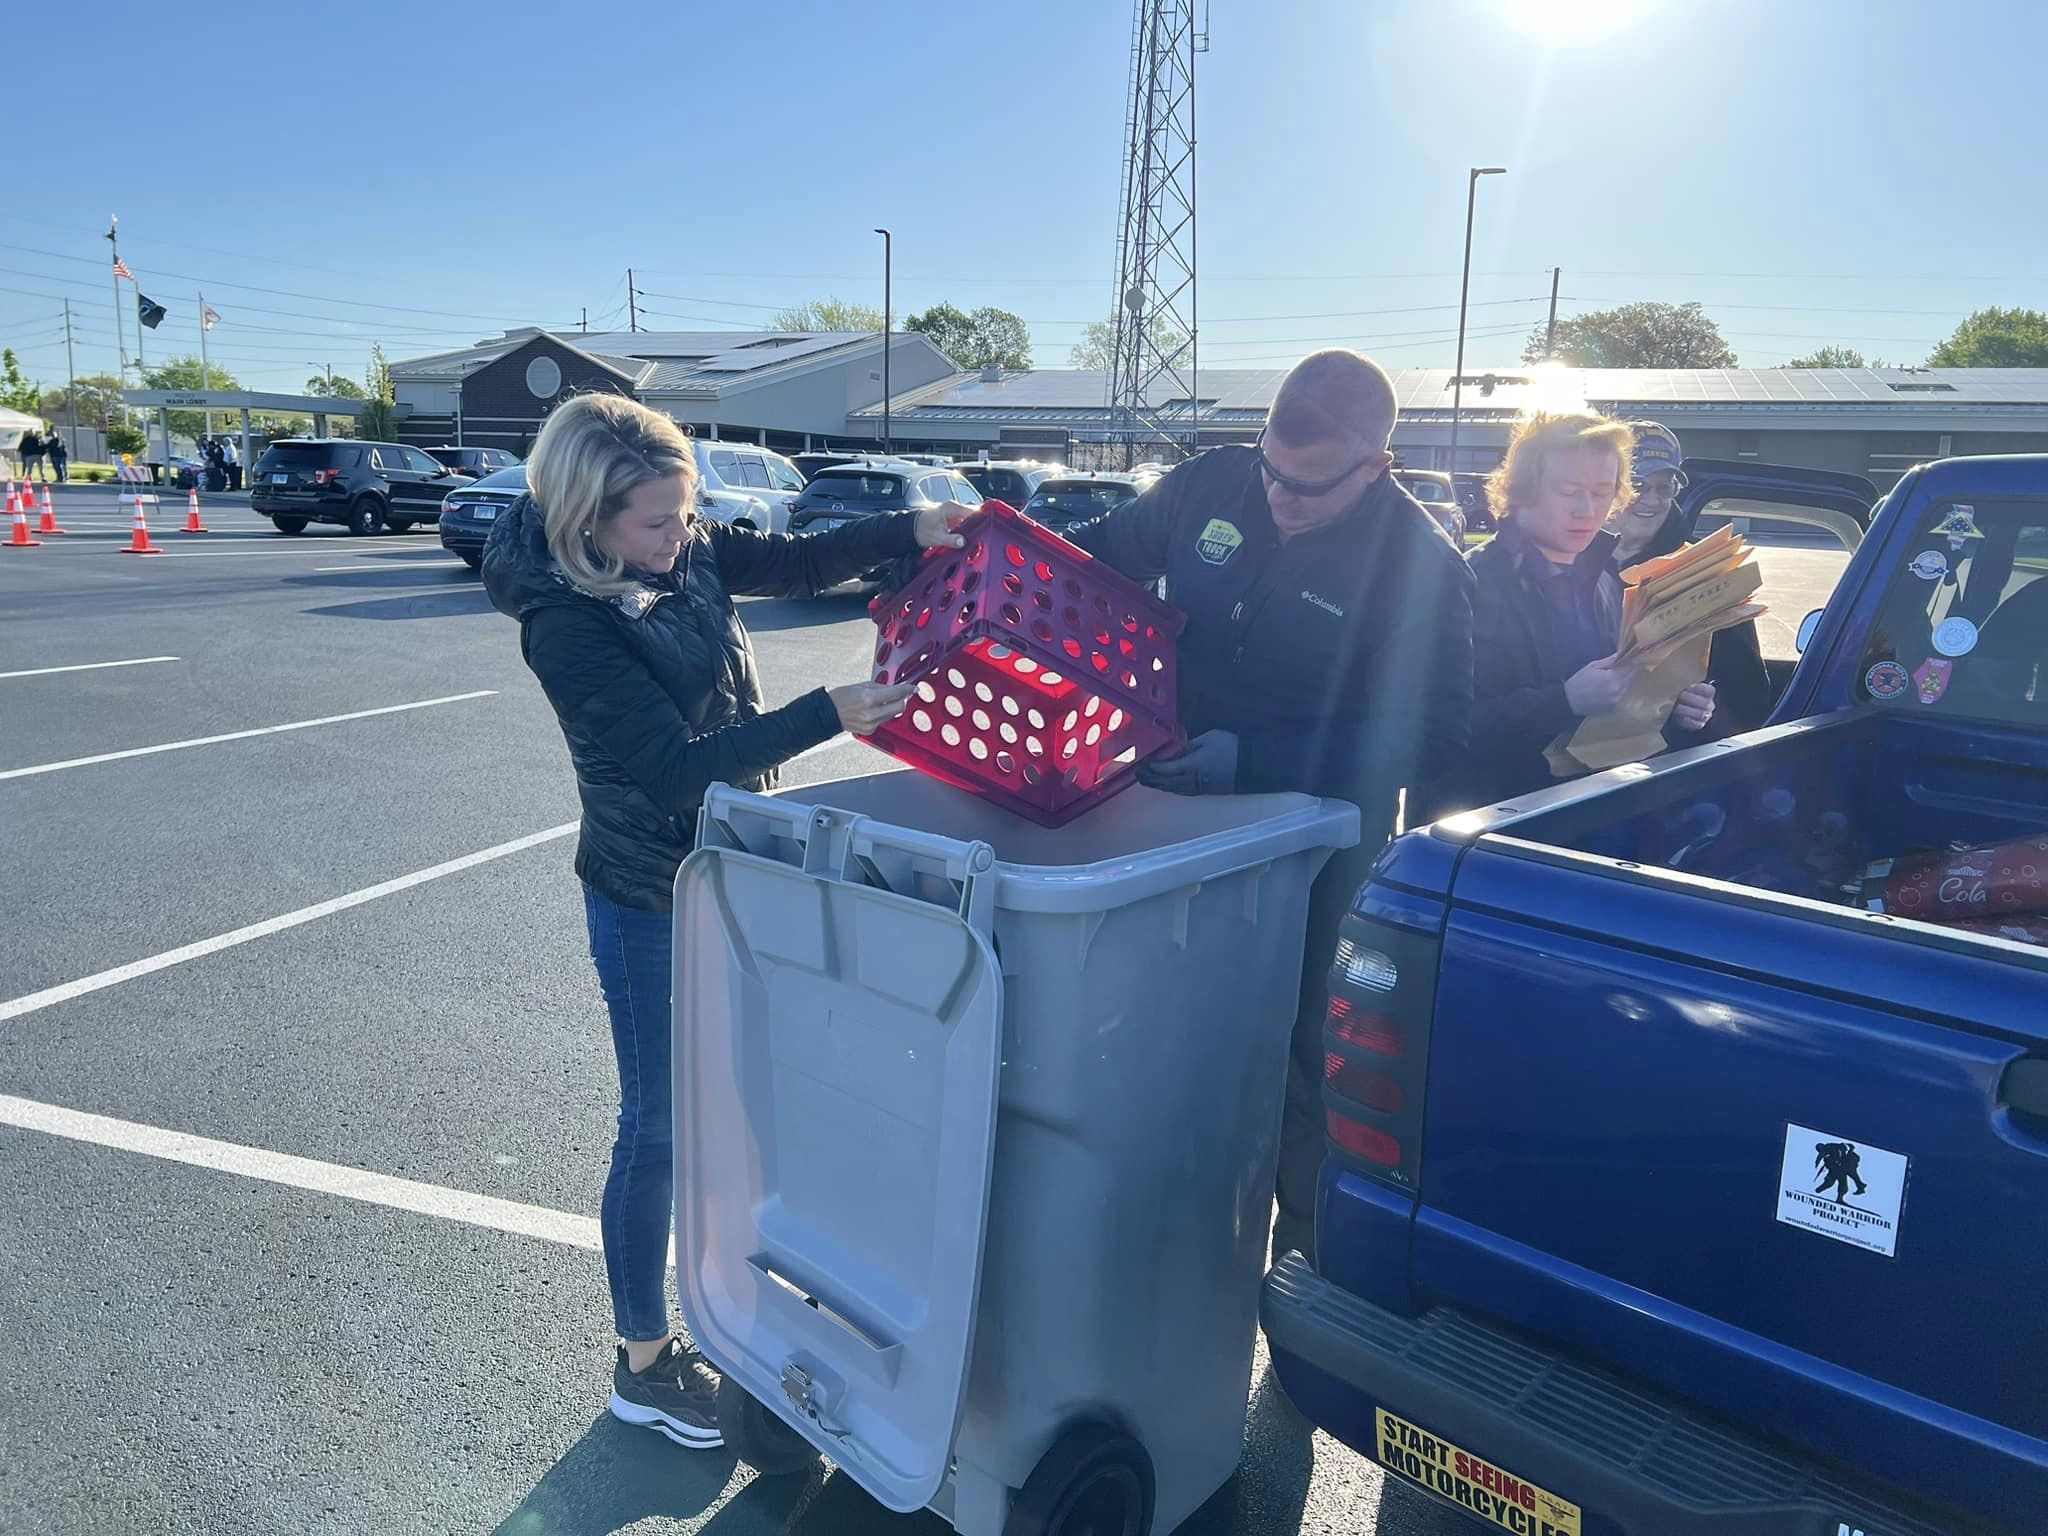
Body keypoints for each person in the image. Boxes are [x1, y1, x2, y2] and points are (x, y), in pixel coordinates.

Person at [481, 393, 968, 1451]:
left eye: (685, 515)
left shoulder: (683, 550)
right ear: (586, 523)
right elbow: (669, 773)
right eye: (656, 524)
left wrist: (907, 531)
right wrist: (823, 714)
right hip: (646, 892)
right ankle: (643, 1364)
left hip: (735, 876)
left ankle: (736, 1307)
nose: (680, 538)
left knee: (756, 1105)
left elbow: (791, 562)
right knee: (655, 1127)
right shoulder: (564, 622)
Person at [1064, 349, 1476, 1263]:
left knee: (1301, 1046)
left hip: (1312, 837)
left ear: (1376, 467)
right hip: (1172, 797)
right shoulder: (1212, 482)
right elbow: (1098, 553)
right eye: (1271, 471)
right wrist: (990, 545)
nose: (1281, 498)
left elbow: (1434, 731)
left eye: (1310, 488)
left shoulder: (1422, 566)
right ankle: (1157, 1231)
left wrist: (1260, 759)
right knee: (1155, 1009)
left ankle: (1303, 1261)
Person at [1452, 412, 1717, 813]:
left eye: (1602, 492)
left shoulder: (1608, 578)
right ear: (1523, 489)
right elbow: (1433, 726)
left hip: (1590, 815)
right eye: (1568, 490)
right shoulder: (1467, 583)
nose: (1587, 509)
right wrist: (1564, 700)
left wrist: (1672, 706)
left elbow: (1621, 704)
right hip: (1485, 833)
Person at [1608, 421, 1774, 735]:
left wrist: (1707, 700)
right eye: (1638, 485)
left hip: (1666, 763)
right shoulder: (1571, 560)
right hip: (1572, 759)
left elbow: (1751, 694)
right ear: (1610, 485)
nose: (1651, 499)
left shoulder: (1709, 570)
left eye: (1665, 487)